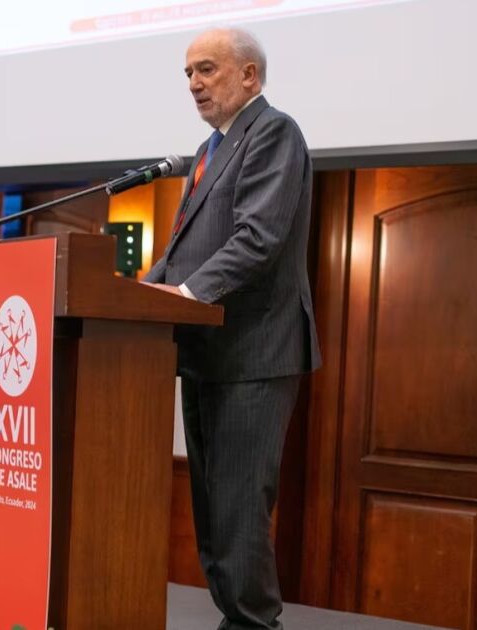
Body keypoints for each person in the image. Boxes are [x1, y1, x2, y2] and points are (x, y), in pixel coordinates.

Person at [142, 28, 321, 630]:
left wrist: (186, 293)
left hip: (255, 353)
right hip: (206, 354)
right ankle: (235, 619)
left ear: (249, 75)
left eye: (207, 69)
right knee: (214, 507)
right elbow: (180, 249)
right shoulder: (208, 149)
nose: (193, 82)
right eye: (188, 72)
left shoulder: (273, 132)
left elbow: (258, 239)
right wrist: (140, 293)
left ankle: (251, 623)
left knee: (240, 507)